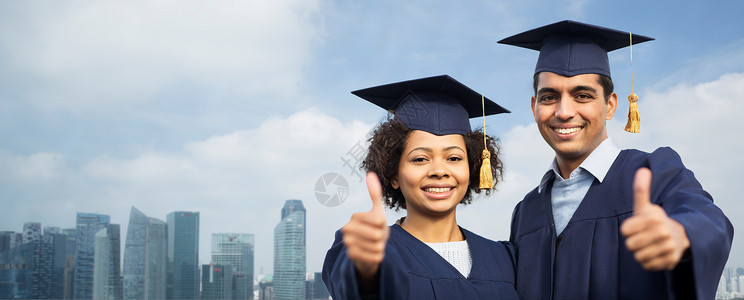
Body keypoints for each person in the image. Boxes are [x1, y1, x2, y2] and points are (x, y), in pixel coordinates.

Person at [498, 20, 734, 299]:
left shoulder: (654, 173)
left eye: (582, 95)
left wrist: (681, 234)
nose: (564, 111)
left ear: (610, 105)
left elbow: (708, 219)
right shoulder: (526, 210)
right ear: (534, 107)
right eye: (549, 97)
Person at [322, 75, 519, 299]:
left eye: (454, 158)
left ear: (473, 167)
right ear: (393, 174)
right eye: (420, 159)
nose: (439, 170)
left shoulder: (503, 258)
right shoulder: (371, 253)